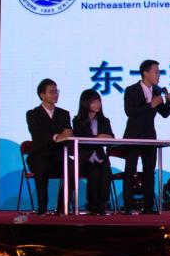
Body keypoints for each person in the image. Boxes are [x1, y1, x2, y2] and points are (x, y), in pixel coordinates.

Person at [122, 59, 170, 214]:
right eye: (156, 72)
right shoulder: (131, 90)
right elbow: (130, 112)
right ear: (145, 73)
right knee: (130, 170)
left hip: (150, 136)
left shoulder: (157, 91)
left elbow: (164, 113)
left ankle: (148, 206)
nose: (159, 75)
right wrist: (150, 105)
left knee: (149, 171)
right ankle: (128, 205)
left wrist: (168, 103)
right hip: (133, 135)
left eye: (159, 72)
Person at [25, 78, 72, 215]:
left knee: (73, 167)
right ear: (42, 95)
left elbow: (67, 132)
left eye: (56, 91)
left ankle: (62, 207)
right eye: (51, 92)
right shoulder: (33, 114)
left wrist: (61, 136)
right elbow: (38, 134)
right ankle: (42, 208)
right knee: (41, 165)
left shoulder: (64, 114)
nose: (55, 94)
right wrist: (56, 136)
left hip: (58, 155)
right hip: (39, 155)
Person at [72, 89, 115, 215]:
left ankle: (102, 204)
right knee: (94, 171)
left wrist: (105, 137)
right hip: (85, 157)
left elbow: (111, 138)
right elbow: (82, 139)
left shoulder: (104, 120)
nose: (97, 104)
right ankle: (92, 204)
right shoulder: (77, 121)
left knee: (105, 170)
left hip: (100, 156)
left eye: (99, 101)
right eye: (94, 102)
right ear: (85, 103)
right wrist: (98, 138)